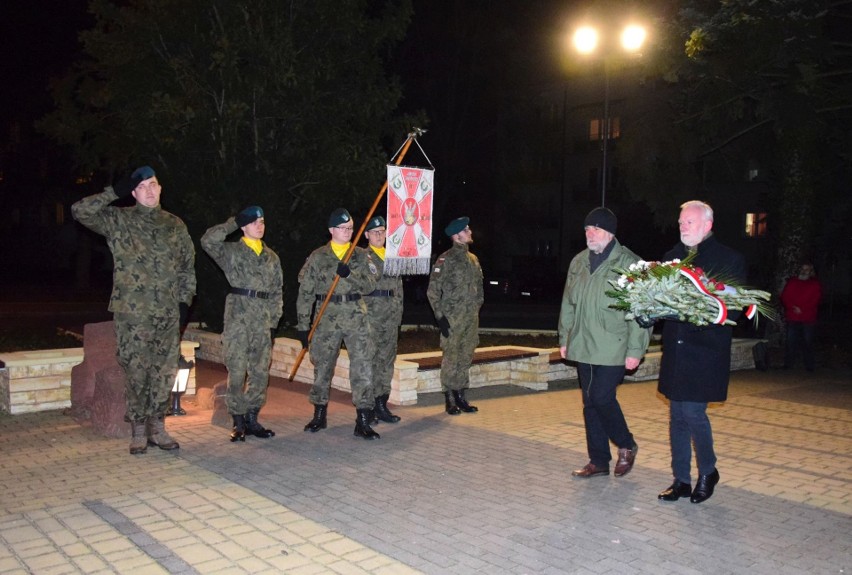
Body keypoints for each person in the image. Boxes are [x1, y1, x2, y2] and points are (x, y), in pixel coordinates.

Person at [71, 165, 196, 455]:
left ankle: (159, 427)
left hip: (167, 312)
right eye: (141, 186)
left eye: (153, 184)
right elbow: (80, 211)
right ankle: (138, 429)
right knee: (137, 370)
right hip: (132, 313)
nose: (149, 190)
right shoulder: (119, 220)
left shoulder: (174, 224)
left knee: (164, 372)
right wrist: (114, 191)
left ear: (161, 188)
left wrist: (183, 302)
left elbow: (187, 267)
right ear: (133, 192)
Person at [657, 200, 746, 504]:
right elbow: (662, 302)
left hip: (704, 352)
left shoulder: (728, 260)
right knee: (677, 416)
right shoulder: (671, 258)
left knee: (693, 414)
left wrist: (698, 314)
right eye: (681, 222)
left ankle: (708, 471)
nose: (683, 227)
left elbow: (731, 309)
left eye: (689, 222)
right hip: (677, 351)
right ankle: (680, 479)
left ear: (707, 225)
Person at [558, 207, 650, 479]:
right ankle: (598, 460)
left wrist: (636, 349)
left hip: (614, 344)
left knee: (601, 397)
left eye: (595, 229)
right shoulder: (578, 262)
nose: (589, 234)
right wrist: (565, 337)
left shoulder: (631, 263)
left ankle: (626, 444)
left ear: (609, 233)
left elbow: (641, 311)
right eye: (587, 229)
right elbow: (568, 303)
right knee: (589, 403)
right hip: (583, 342)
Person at [297, 208, 382, 439]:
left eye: (351, 229)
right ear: (331, 230)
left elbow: (370, 285)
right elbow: (305, 292)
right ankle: (319, 413)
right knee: (322, 366)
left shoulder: (361, 255)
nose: (348, 232)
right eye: (343, 229)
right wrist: (303, 326)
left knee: (362, 366)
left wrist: (349, 275)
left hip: (355, 314)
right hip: (327, 316)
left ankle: (363, 418)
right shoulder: (318, 256)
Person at [201, 206, 283, 442]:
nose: (260, 225)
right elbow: (208, 240)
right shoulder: (232, 252)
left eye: (262, 221)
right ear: (245, 226)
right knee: (236, 371)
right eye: (254, 222)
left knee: (259, 372)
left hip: (262, 320)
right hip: (238, 317)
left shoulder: (271, 257)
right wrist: (233, 222)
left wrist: (274, 321)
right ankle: (237, 421)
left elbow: (277, 291)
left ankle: (252, 418)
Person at [427, 216, 484, 415]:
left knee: (465, 357)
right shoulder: (446, 259)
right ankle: (450, 398)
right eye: (466, 229)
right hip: (452, 319)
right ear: (456, 235)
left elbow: (479, 290)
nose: (470, 232)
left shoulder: (473, 259)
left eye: (468, 228)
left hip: (470, 319)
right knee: (451, 358)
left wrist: (476, 309)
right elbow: (432, 291)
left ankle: (461, 396)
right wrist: (440, 318)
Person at [359, 216, 403, 424]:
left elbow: (399, 289)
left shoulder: (392, 257)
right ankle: (366, 408)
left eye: (383, 231)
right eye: (375, 232)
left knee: (386, 362)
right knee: (369, 362)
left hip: (390, 317)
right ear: (367, 235)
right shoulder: (361, 257)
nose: (379, 235)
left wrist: (399, 316)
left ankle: (381, 404)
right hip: (371, 317)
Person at [780, 261, 821, 372]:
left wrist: (802, 309)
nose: (804, 271)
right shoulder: (792, 282)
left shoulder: (814, 284)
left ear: (811, 271)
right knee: (790, 342)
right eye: (802, 269)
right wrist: (792, 307)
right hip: (793, 316)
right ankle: (788, 364)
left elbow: (815, 300)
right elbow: (785, 296)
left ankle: (809, 366)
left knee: (808, 342)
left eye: (806, 269)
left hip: (808, 318)